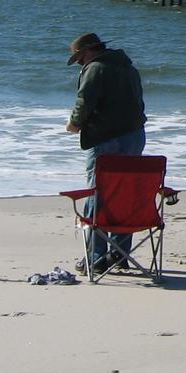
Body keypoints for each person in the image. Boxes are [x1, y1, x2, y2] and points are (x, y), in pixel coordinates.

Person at [64, 33, 147, 274]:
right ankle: (119, 254)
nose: (80, 63)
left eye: (80, 58)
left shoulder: (95, 69)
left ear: (89, 51)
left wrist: (74, 124)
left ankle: (96, 256)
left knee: (98, 194)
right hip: (134, 135)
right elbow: (138, 103)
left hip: (105, 139)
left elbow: (84, 101)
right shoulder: (129, 68)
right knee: (124, 193)